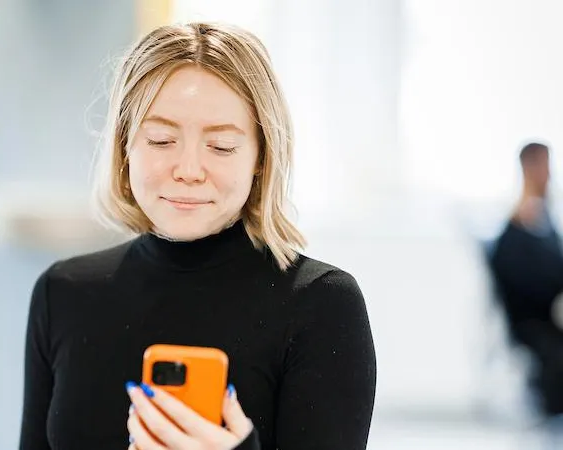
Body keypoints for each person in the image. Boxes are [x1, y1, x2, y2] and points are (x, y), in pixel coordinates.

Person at [19, 22, 377, 450]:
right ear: (125, 145)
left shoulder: (321, 305)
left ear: (261, 156)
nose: (188, 169)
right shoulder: (62, 295)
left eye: (221, 146)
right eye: (161, 139)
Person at [489, 142, 563, 417]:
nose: (550, 175)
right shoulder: (518, 230)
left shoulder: (542, 221)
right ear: (529, 168)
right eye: (544, 166)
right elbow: (529, 285)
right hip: (537, 326)